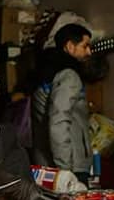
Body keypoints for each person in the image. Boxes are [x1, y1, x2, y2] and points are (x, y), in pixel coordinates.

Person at [30, 23, 94, 183]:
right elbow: (58, 122)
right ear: (70, 46)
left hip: (45, 166)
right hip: (69, 168)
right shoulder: (69, 76)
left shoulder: (44, 74)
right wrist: (66, 171)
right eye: (85, 46)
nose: (89, 52)